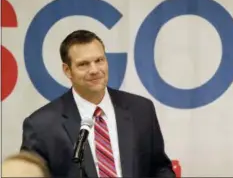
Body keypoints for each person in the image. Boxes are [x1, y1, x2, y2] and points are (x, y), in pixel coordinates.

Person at [20, 29, 175, 177]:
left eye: (99, 60)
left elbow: (160, 168)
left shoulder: (141, 109)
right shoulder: (41, 126)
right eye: (83, 64)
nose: (94, 70)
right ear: (67, 70)